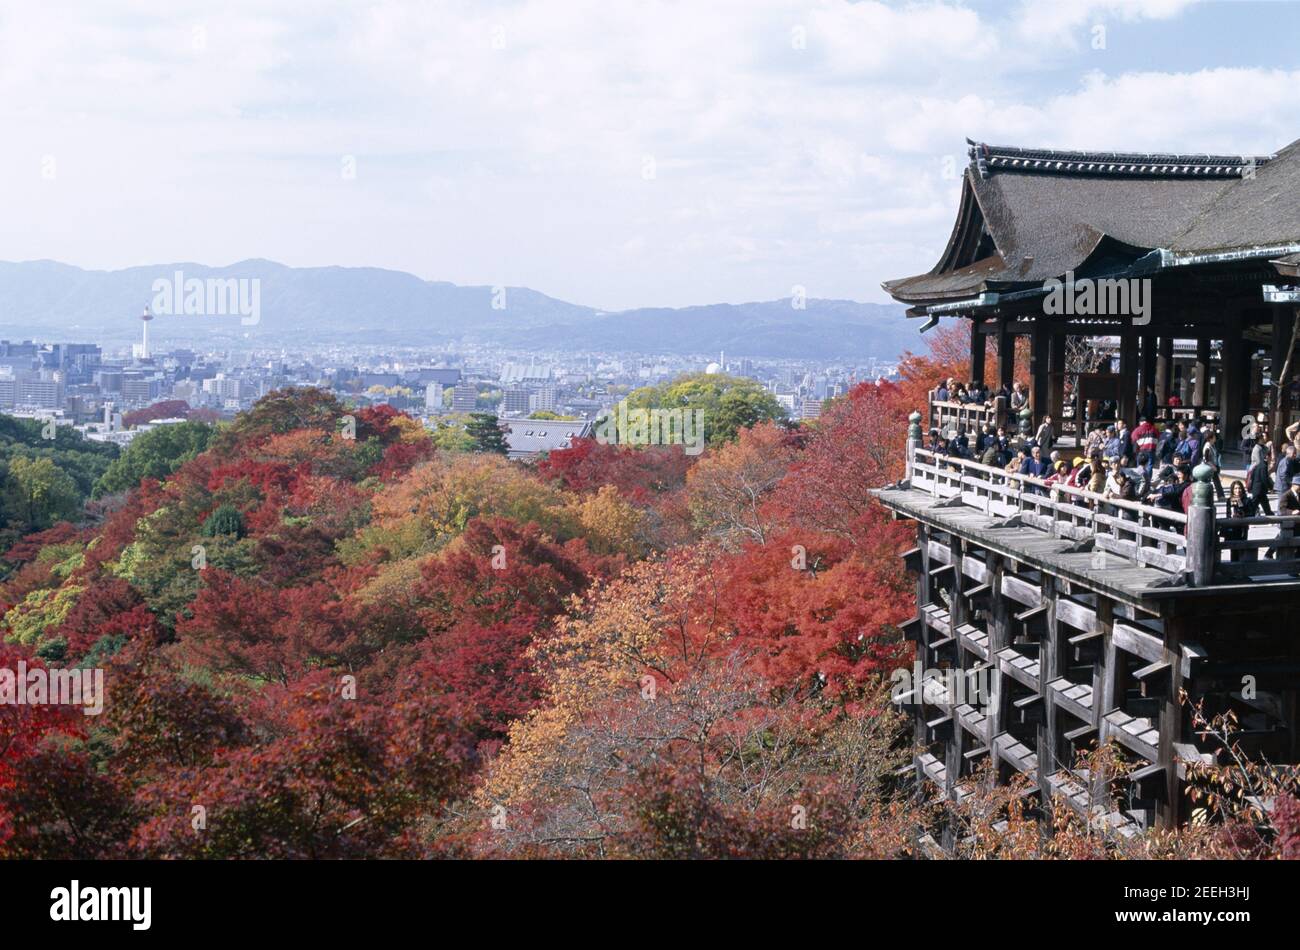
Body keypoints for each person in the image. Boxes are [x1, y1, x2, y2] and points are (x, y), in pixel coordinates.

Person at [1224, 480, 1257, 562]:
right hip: (1232, 528)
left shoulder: (1247, 500)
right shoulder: (1229, 500)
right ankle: (1234, 568)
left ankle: (1241, 570)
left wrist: (1242, 514)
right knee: (1233, 550)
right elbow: (1228, 513)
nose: (1237, 490)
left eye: (1239, 488)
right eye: (1235, 488)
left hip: (1242, 528)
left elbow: (1251, 513)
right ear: (1232, 490)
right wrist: (1232, 516)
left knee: (1242, 549)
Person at [1247, 437, 1273, 516]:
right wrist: (1270, 486)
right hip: (1259, 488)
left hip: (1258, 488)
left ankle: (1270, 515)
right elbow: (1264, 478)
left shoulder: (1259, 464)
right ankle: (1249, 516)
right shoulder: (1262, 465)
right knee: (1254, 505)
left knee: (1264, 503)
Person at [1202, 429, 1225, 501]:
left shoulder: (1212, 445)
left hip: (1213, 466)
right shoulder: (1207, 447)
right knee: (1208, 482)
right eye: (1214, 437)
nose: (1215, 438)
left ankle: (1221, 496)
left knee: (1216, 481)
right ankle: (1218, 496)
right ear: (1210, 438)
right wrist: (1213, 466)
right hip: (1209, 467)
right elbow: (1206, 459)